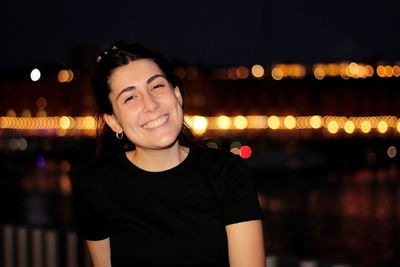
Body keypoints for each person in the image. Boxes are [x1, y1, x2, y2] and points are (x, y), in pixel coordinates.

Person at [73, 41, 265, 267]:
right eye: (130, 97)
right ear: (114, 121)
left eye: (156, 87)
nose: (151, 105)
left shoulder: (228, 173)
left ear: (177, 95)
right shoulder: (94, 184)